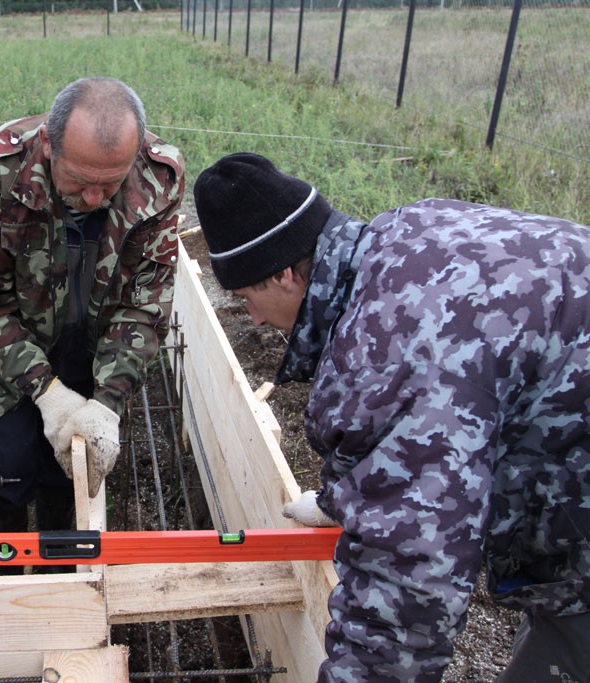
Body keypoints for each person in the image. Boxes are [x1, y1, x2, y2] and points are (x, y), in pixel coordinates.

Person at [193, 152, 590, 682]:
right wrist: (348, 496)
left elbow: (408, 592)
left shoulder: (385, 350)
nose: (255, 318)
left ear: (285, 272)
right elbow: (435, 420)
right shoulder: (406, 233)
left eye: (248, 298)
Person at [0, 77, 185, 554]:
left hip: (93, 341)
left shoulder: (159, 179)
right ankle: (5, 563)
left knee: (73, 463)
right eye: (80, 182)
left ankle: (58, 561)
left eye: (110, 185)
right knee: (6, 467)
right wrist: (47, 393)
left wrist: (108, 401)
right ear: (51, 145)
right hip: (4, 347)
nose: (95, 198)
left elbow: (144, 303)